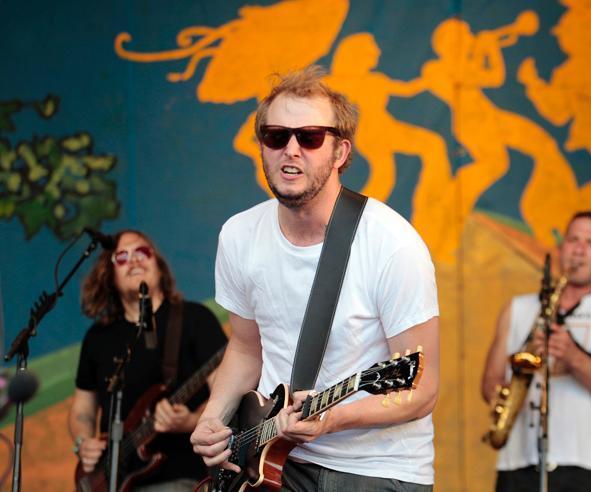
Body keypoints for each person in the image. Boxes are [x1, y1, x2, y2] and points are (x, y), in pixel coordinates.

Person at [190, 65, 440, 491]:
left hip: (376, 470)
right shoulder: (238, 235)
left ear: (340, 153)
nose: (291, 149)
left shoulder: (391, 243)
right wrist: (213, 418)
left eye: (309, 137)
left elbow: (423, 388)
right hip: (270, 464)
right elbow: (247, 347)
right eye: (276, 136)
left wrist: (334, 418)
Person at [481, 211, 591, 492]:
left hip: (582, 466)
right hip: (515, 464)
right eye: (573, 239)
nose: (579, 250)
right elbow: (489, 383)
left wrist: (575, 359)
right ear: (561, 247)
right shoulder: (517, 308)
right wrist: (509, 393)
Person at [69, 229, 227, 491]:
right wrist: (83, 443)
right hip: (111, 482)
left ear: (159, 266)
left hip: (182, 475)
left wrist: (192, 421)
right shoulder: (97, 338)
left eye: (143, 251)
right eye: (122, 256)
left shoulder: (194, 319)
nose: (134, 260)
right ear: (108, 276)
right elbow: (82, 408)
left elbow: (225, 391)